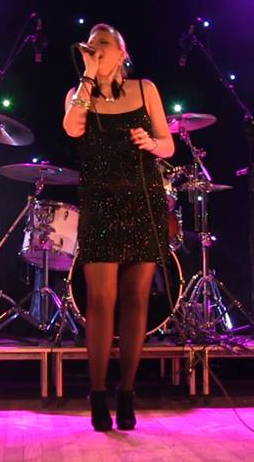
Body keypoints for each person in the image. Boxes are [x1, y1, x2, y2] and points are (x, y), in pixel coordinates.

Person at [62, 24, 174, 431]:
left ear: (123, 52)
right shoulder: (79, 94)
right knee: (101, 299)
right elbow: (72, 128)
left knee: (136, 299)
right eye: (91, 43)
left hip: (143, 201)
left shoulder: (146, 89)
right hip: (100, 204)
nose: (96, 47)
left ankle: (127, 393)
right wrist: (90, 75)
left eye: (104, 43)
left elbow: (168, 144)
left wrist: (151, 143)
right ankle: (97, 394)